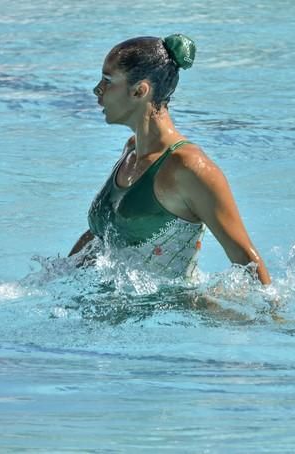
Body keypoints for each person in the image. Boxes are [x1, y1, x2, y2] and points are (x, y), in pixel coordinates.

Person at [69, 34, 271, 283]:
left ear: (140, 90)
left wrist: (274, 318)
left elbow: (245, 258)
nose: (97, 90)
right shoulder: (131, 152)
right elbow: (101, 238)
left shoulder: (189, 168)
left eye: (107, 81)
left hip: (172, 315)